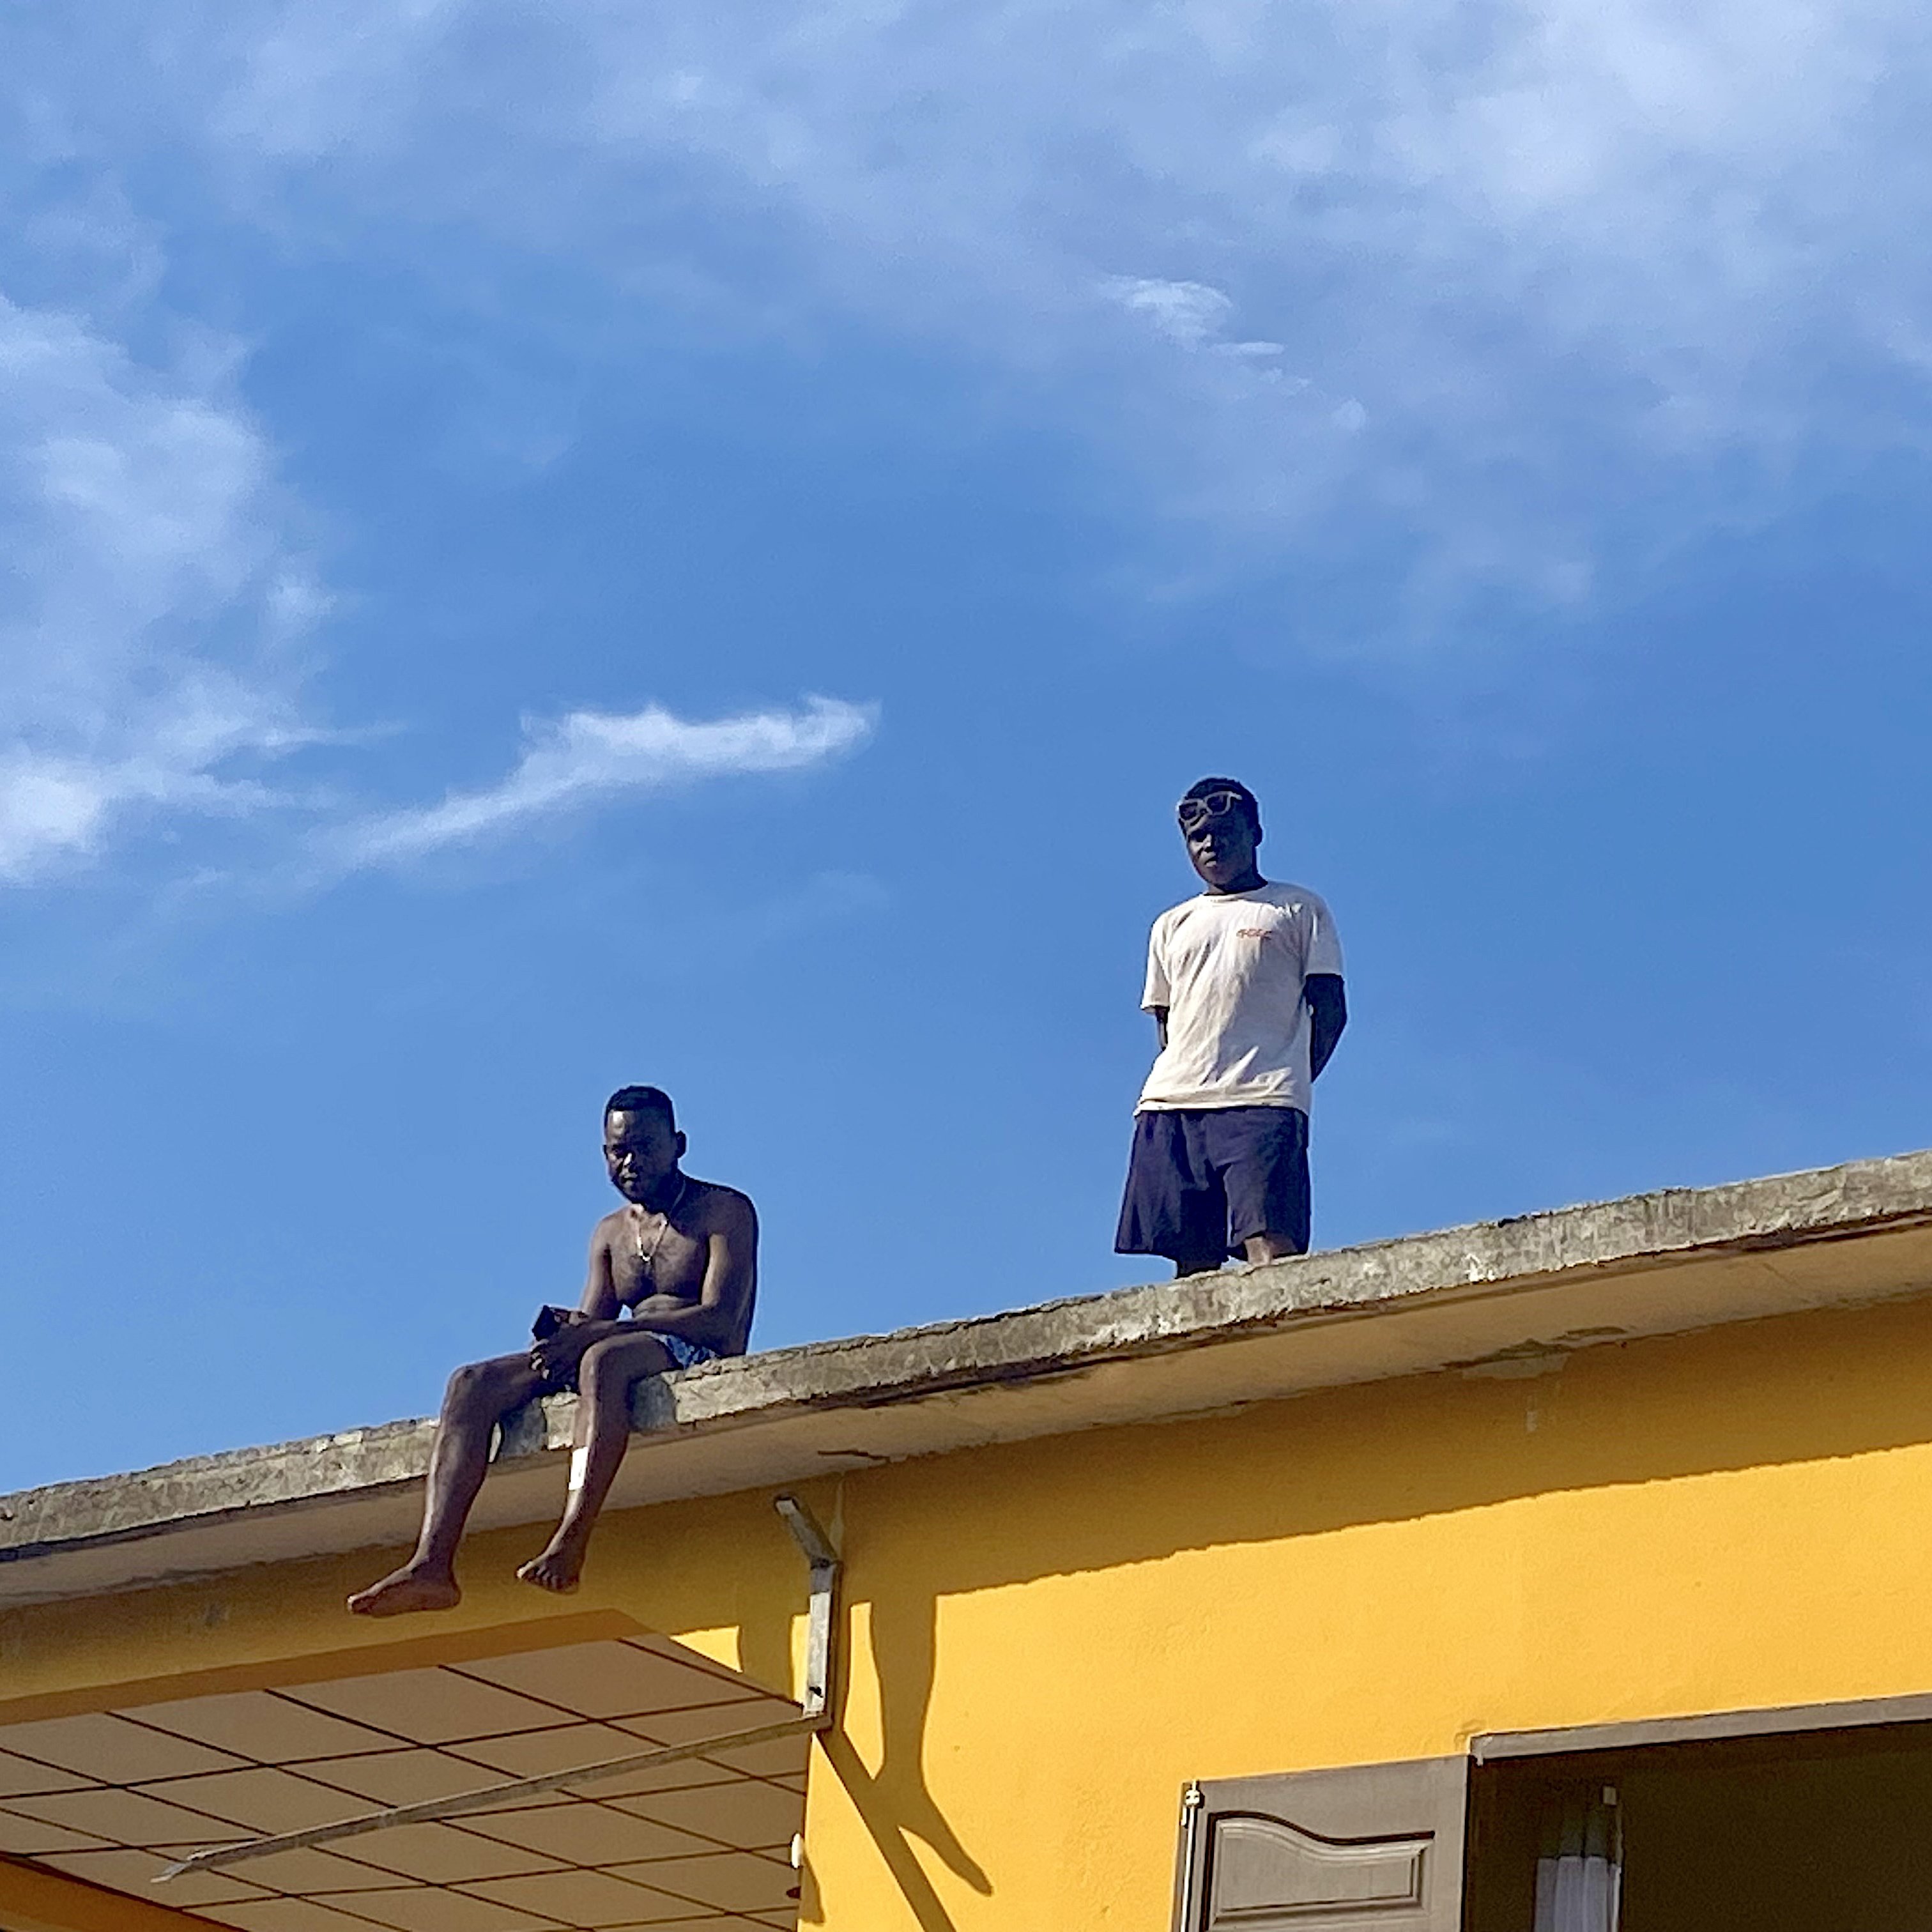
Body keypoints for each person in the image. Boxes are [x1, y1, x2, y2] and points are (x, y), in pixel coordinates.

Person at [348, 1085, 757, 1614]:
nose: (631, 1162)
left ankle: (571, 1539)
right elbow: (596, 1318)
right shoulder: (611, 1233)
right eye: (618, 1151)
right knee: (470, 1383)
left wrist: (592, 1337)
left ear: (678, 1144)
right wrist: (563, 1336)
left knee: (601, 1361)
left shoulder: (724, 1210)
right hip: (617, 1344)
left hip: (693, 1350)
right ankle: (432, 1564)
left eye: (646, 1147)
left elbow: (721, 1320)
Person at [1116, 778, 1347, 1279]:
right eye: (1198, 838)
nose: (1211, 845)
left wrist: (1287, 1076)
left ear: (1255, 832)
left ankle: (1281, 1349)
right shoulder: (1171, 924)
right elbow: (1167, 1023)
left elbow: (1330, 1011)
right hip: (1173, 1104)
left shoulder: (1297, 908)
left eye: (1223, 832)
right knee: (1192, 1260)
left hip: (1262, 1100)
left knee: (1269, 1244)